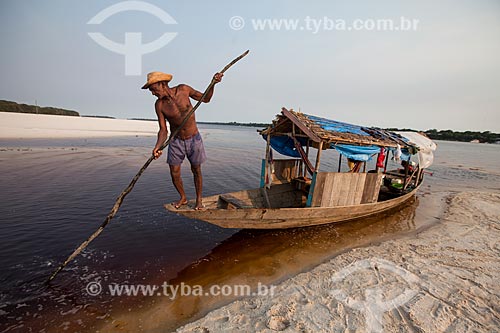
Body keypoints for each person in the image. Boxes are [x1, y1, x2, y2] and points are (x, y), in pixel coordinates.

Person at [142, 71, 223, 210]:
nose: (153, 93)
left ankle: (198, 199)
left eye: (153, 90)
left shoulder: (184, 90)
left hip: (194, 139)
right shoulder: (159, 105)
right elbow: (163, 130)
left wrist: (213, 84)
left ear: (162, 84)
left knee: (196, 169)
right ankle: (183, 197)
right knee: (174, 172)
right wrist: (158, 146)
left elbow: (206, 98)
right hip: (176, 141)